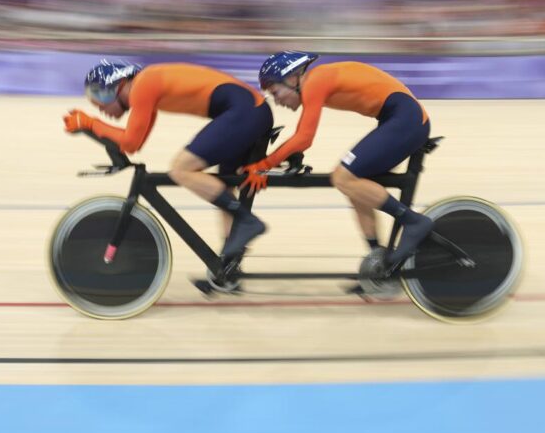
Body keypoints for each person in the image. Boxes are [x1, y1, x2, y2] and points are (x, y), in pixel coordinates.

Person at [63, 60, 273, 273]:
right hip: (248, 111)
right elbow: (135, 144)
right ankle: (230, 267)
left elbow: (130, 142)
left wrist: (91, 123)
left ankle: (247, 221)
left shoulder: (143, 85)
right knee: (223, 188)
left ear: (118, 85)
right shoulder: (147, 88)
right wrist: (94, 128)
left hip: (246, 112)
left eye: (100, 96)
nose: (99, 106)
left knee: (181, 169)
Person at [243, 51, 433, 276]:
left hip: (406, 120)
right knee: (355, 185)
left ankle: (413, 222)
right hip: (400, 118)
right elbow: (301, 140)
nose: (277, 100)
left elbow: (304, 138)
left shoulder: (314, 81)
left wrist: (264, 164)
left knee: (342, 177)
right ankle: (379, 263)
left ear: (292, 78)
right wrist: (282, 156)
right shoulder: (317, 80)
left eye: (275, 92)